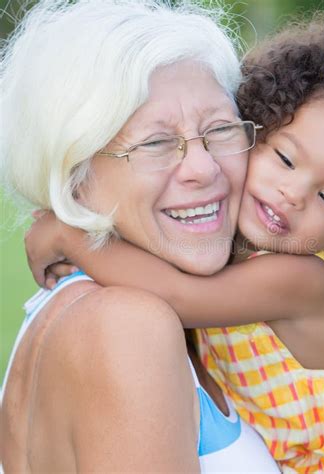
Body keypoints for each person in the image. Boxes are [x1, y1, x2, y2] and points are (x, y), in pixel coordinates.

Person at [26, 10, 324, 474]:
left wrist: (70, 236)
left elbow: (178, 297)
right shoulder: (229, 250)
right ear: (254, 134)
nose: (292, 194)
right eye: (284, 158)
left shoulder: (303, 280)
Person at [0, 1, 281, 472]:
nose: (203, 167)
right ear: (74, 176)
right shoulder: (128, 326)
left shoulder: (92, 308)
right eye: (155, 143)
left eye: (220, 130)